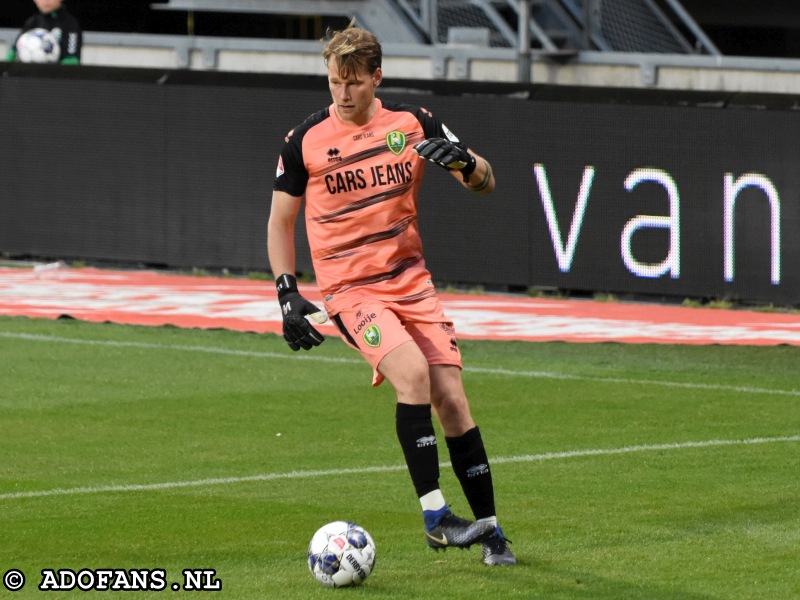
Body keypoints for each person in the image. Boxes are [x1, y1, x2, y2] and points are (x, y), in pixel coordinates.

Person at [267, 21, 516, 567]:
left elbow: (487, 181)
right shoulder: (304, 139)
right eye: (335, 81)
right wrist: (287, 292)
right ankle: (435, 518)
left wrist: (465, 164)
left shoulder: (412, 123)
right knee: (412, 376)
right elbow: (280, 221)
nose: (343, 93)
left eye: (354, 82)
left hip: (411, 283)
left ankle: (493, 533)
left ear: (376, 77)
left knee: (452, 399)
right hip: (351, 290)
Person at [6, 0, 82, 65]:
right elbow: (13, 52)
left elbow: (72, 59)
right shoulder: (32, 22)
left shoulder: (70, 23)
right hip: (28, 77)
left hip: (56, 78)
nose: (46, 1)